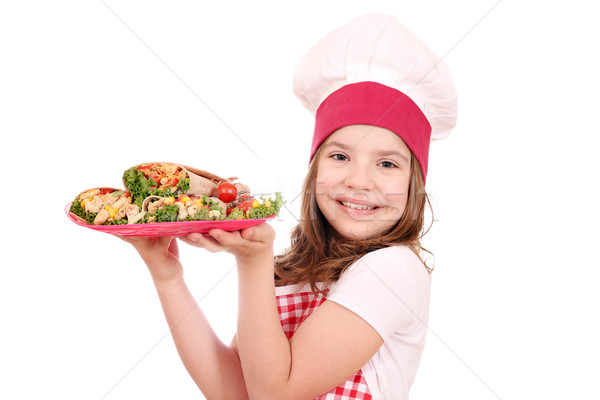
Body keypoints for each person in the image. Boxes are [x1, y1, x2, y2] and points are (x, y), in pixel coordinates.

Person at [119, 12, 457, 400]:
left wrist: (252, 262)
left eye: (386, 164)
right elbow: (235, 392)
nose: (359, 181)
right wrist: (167, 275)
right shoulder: (295, 270)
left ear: (415, 185)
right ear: (315, 169)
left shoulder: (394, 269)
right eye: (340, 156)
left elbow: (276, 395)